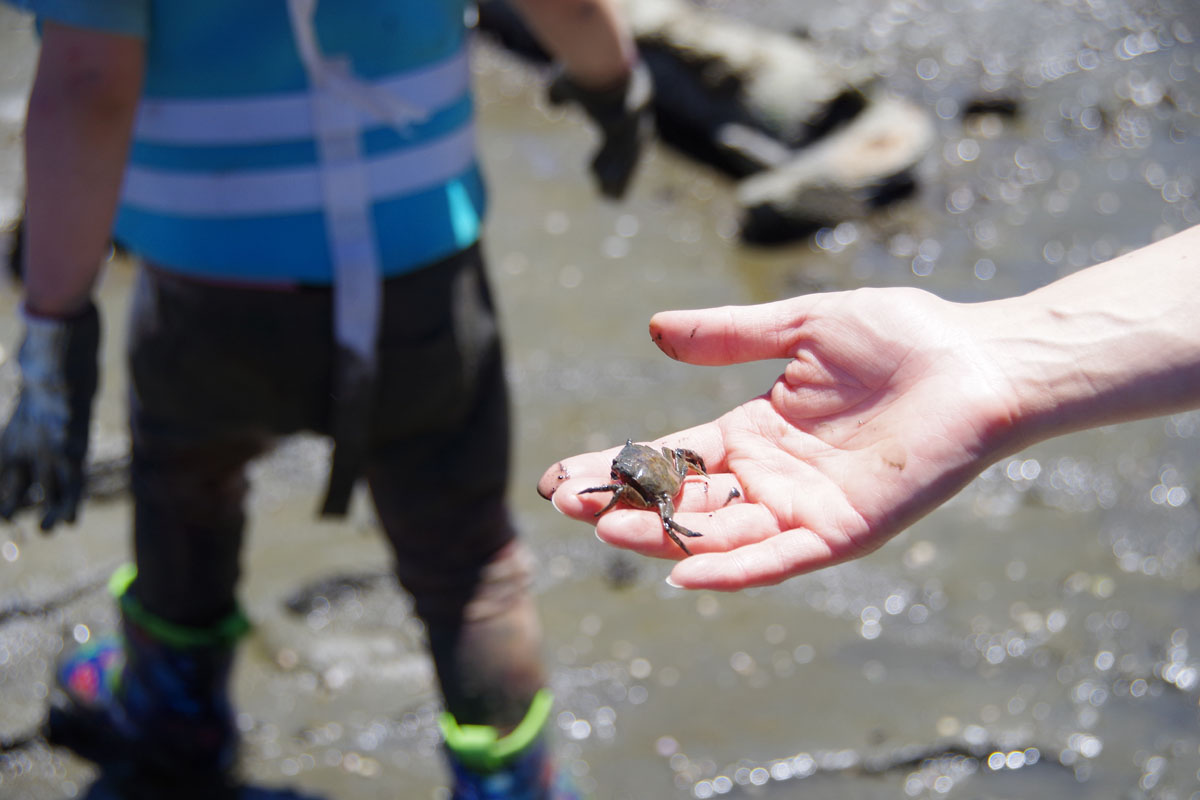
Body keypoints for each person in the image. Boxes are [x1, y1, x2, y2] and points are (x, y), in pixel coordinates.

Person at [0, 1, 652, 797]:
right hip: (417, 279)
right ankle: (510, 784)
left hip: (207, 283)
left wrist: (53, 330)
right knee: (469, 565)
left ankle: (174, 712)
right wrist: (614, 85)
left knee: (184, 495)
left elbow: (86, 81)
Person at [539, 223, 1200, 592]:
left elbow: (669, 470)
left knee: (663, 500)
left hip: (669, 480)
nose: (623, 471)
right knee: (659, 491)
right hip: (666, 477)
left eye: (624, 471)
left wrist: (990, 359)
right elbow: (662, 468)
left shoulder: (665, 474)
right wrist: (995, 358)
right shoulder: (657, 470)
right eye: (625, 470)